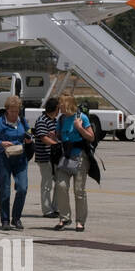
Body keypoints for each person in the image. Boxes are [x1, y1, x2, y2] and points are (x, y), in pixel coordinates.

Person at [0, 94, 31, 230]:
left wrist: (29, 138)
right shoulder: (0, 122)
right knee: (5, 190)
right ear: (7, 110)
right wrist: (1, 143)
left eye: (17, 111)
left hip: (20, 158)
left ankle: (16, 218)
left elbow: (28, 132)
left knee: (22, 188)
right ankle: (5, 220)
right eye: (12, 111)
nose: (15, 114)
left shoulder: (21, 121)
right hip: (4, 159)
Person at [52, 93, 94, 231]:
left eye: (62, 105)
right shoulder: (62, 119)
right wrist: (54, 135)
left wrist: (80, 128)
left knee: (79, 190)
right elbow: (59, 134)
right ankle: (64, 218)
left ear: (68, 105)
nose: (60, 107)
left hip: (80, 157)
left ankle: (80, 221)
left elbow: (91, 137)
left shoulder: (81, 118)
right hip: (66, 156)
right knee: (61, 186)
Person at [32, 97, 60, 218]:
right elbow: (43, 138)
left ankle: (56, 207)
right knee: (47, 184)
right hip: (45, 158)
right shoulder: (42, 120)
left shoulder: (54, 121)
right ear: (55, 109)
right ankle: (47, 210)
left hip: (54, 157)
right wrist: (56, 144)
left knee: (59, 183)